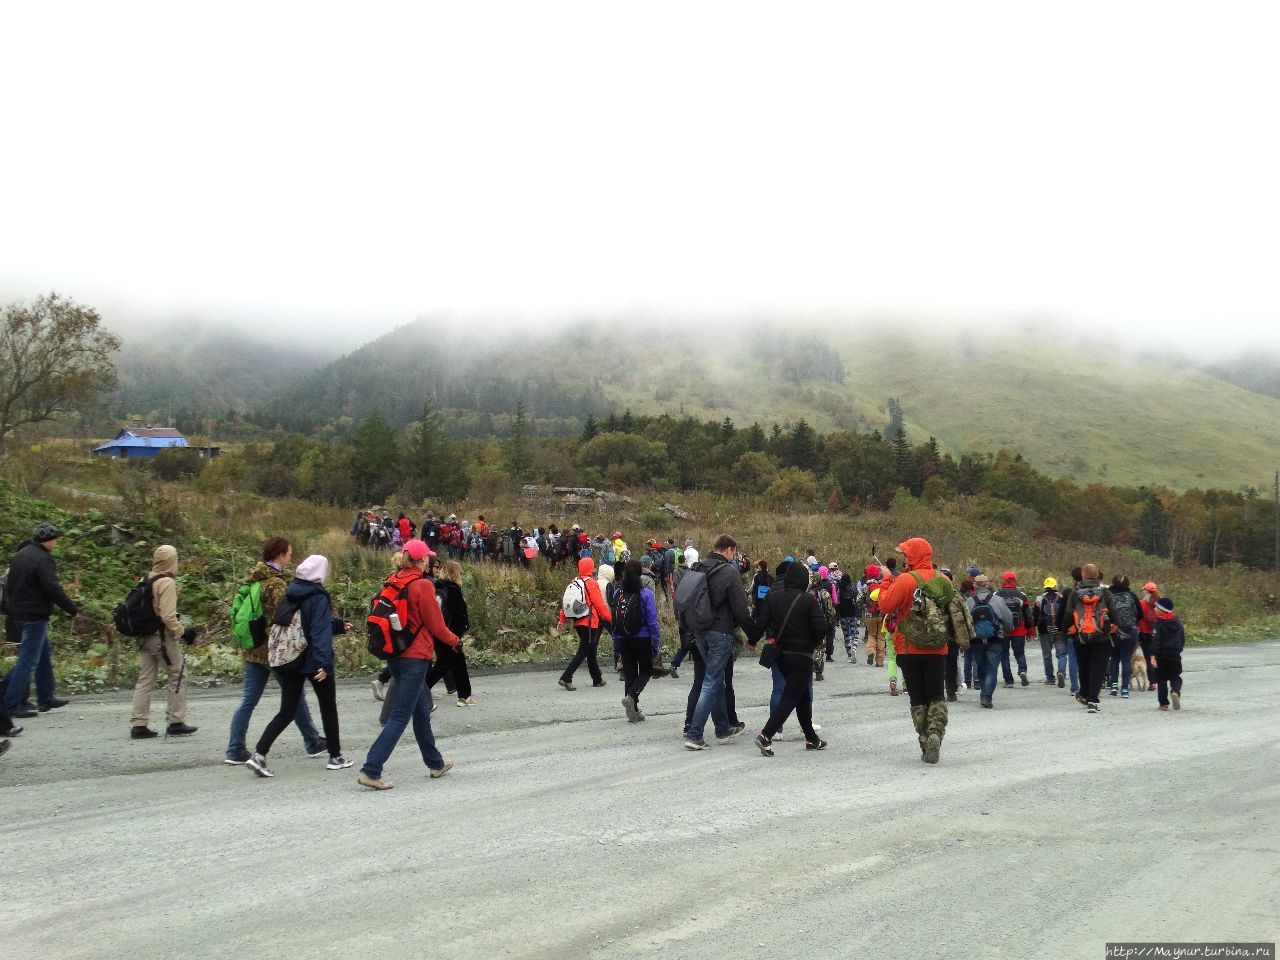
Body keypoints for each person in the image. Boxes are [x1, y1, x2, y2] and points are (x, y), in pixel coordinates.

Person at [358, 540, 459, 789]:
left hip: (396, 654)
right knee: (400, 716)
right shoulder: (422, 585)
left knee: (421, 712)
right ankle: (371, 770)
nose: (430, 562)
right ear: (422, 560)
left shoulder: (396, 580)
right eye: (427, 558)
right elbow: (436, 624)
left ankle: (435, 764)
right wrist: (454, 640)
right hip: (414, 658)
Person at [225, 537, 327, 764]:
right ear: (280, 555)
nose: (290, 557)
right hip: (273, 650)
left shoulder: (252, 580)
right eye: (289, 554)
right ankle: (312, 741)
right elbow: (286, 616)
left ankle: (234, 749)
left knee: (248, 699)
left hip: (252, 649)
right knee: (295, 695)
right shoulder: (276, 584)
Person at [245, 555, 350, 776]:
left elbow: (301, 623)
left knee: (287, 710)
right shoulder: (319, 596)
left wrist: (338, 626)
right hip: (313, 660)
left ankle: (259, 754)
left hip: (290, 658)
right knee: (328, 707)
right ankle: (335, 756)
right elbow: (318, 631)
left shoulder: (292, 591)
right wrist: (324, 664)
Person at [872, 538, 953, 763]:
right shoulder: (943, 580)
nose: (904, 558)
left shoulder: (906, 580)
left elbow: (886, 606)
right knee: (936, 694)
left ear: (914, 556)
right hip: (938, 648)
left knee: (917, 697)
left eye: (906, 555)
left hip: (909, 648)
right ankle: (936, 732)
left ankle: (925, 741)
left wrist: (887, 580)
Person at [681, 535, 757, 751]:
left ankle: (723, 728)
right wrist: (752, 635)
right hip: (720, 633)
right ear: (729, 550)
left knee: (716, 681)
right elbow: (740, 609)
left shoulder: (698, 567)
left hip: (700, 631)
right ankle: (695, 734)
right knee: (712, 682)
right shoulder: (729, 572)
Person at [752, 561, 828, 756]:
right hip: (802, 656)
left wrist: (751, 639)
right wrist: (812, 641)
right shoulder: (808, 600)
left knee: (801, 696)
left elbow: (760, 623)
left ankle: (811, 739)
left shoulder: (773, 598)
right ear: (803, 580)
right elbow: (821, 627)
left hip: (781, 657)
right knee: (791, 697)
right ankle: (765, 735)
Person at [3, 522, 78, 717]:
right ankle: (10, 703)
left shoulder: (21, 555)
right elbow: (52, 588)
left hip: (18, 613)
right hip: (34, 615)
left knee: (43, 654)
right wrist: (72, 610)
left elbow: (10, 585)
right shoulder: (43, 559)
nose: (56, 543)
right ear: (48, 540)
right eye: (55, 539)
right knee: (28, 661)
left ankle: (45, 697)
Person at [129, 545, 200, 739]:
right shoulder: (166, 582)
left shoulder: (146, 578)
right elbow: (168, 616)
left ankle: (139, 724)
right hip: (161, 637)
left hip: (144, 636)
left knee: (145, 679)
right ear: (172, 561)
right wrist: (183, 633)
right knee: (178, 673)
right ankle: (176, 721)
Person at [1062, 563, 1118, 713]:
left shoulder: (1075, 592)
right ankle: (1093, 700)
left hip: (1081, 637)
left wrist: (1066, 633)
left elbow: (1068, 614)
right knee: (1098, 669)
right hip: (1102, 637)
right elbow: (1113, 613)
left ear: (1083, 575)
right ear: (1097, 575)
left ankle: (1085, 694)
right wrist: (1116, 628)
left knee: (1084, 666)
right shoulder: (1105, 593)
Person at [613, 560, 660, 722]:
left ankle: (633, 711)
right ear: (640, 574)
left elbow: (615, 619)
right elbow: (652, 620)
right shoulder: (646, 594)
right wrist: (655, 642)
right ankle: (631, 697)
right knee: (646, 671)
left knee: (630, 673)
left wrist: (616, 642)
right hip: (643, 637)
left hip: (623, 638)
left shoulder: (617, 593)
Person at [557, 557, 612, 690]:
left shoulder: (575, 581)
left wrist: (562, 620)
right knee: (583, 651)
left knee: (591, 650)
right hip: (590, 622)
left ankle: (597, 679)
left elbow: (567, 602)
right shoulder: (591, 583)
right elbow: (599, 604)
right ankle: (566, 677)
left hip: (578, 621)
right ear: (591, 568)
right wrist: (610, 619)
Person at [428, 559, 475, 706]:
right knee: (443, 665)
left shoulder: (435, 587)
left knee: (458, 662)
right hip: (451, 633)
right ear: (456, 573)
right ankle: (418, 689)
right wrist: (460, 633)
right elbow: (460, 616)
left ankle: (465, 695)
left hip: (436, 630)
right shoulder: (454, 589)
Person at [967, 574, 1013, 708]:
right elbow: (1008, 618)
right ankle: (987, 696)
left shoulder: (970, 601)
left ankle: (983, 694)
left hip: (976, 640)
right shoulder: (998, 600)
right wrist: (1007, 630)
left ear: (975, 585)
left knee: (981, 668)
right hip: (996, 638)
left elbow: (965, 621)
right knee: (992, 669)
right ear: (987, 585)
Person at [995, 571, 1033, 687]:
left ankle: (1009, 681)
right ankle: (1022, 670)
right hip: (1019, 629)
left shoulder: (997, 594)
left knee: (1004, 655)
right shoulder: (1021, 595)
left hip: (1003, 630)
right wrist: (1030, 631)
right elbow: (1028, 615)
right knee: (1020, 652)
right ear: (1014, 581)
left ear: (1004, 581)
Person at [1107, 575, 1142, 698]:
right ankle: (1125, 689)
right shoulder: (1132, 596)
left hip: (1113, 631)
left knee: (1114, 659)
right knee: (1126, 659)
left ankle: (1114, 686)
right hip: (1130, 631)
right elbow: (1140, 613)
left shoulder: (1108, 595)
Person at [1033, 578, 1071, 688]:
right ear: (1055, 586)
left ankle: (1050, 678)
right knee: (1062, 654)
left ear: (1045, 586)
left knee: (1046, 654)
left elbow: (1035, 615)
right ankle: (1061, 672)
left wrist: (1033, 628)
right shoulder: (1062, 598)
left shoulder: (1039, 599)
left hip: (1044, 630)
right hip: (1059, 629)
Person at [1149, 596, 1184, 712]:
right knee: (1175, 676)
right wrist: (1179, 649)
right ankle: (1175, 691)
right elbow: (1182, 638)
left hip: (1161, 655)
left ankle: (1163, 704)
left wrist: (1153, 656)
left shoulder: (1158, 623)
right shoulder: (1177, 621)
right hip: (1174, 654)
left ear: (1161, 609)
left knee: (1161, 679)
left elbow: (1156, 641)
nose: (1154, 608)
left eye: (1156, 607)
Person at [667, 547, 697, 679]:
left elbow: (673, 587)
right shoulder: (691, 573)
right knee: (694, 644)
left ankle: (674, 664)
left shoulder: (676, 572)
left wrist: (676, 614)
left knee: (684, 644)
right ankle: (700, 669)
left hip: (681, 615)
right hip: (690, 617)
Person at [1138, 581, 1160, 696]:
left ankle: (1153, 682)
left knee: (1148, 657)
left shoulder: (1141, 603)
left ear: (1146, 591)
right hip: (1157, 633)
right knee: (1157, 656)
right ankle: (1161, 679)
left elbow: (1137, 617)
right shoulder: (1159, 602)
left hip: (1144, 633)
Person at [861, 565, 885, 667]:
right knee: (881, 637)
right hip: (881, 614)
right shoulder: (882, 585)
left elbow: (859, 600)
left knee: (871, 635)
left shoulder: (865, 587)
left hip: (869, 615)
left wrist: (864, 608)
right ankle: (879, 661)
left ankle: (871, 651)